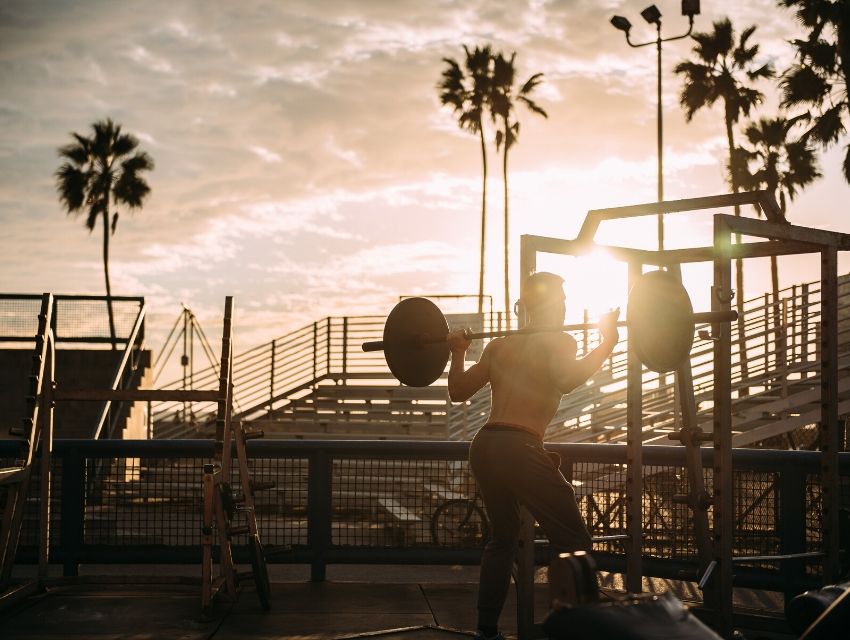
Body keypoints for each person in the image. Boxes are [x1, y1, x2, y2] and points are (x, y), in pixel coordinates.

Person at [446, 271, 621, 640]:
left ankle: (486, 630)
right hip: (518, 446)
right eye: (561, 298)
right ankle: (580, 628)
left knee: (503, 537)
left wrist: (457, 353)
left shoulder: (499, 345)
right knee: (576, 542)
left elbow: (458, 390)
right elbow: (568, 379)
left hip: (486, 445)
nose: (564, 304)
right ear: (554, 305)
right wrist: (608, 341)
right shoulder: (560, 341)